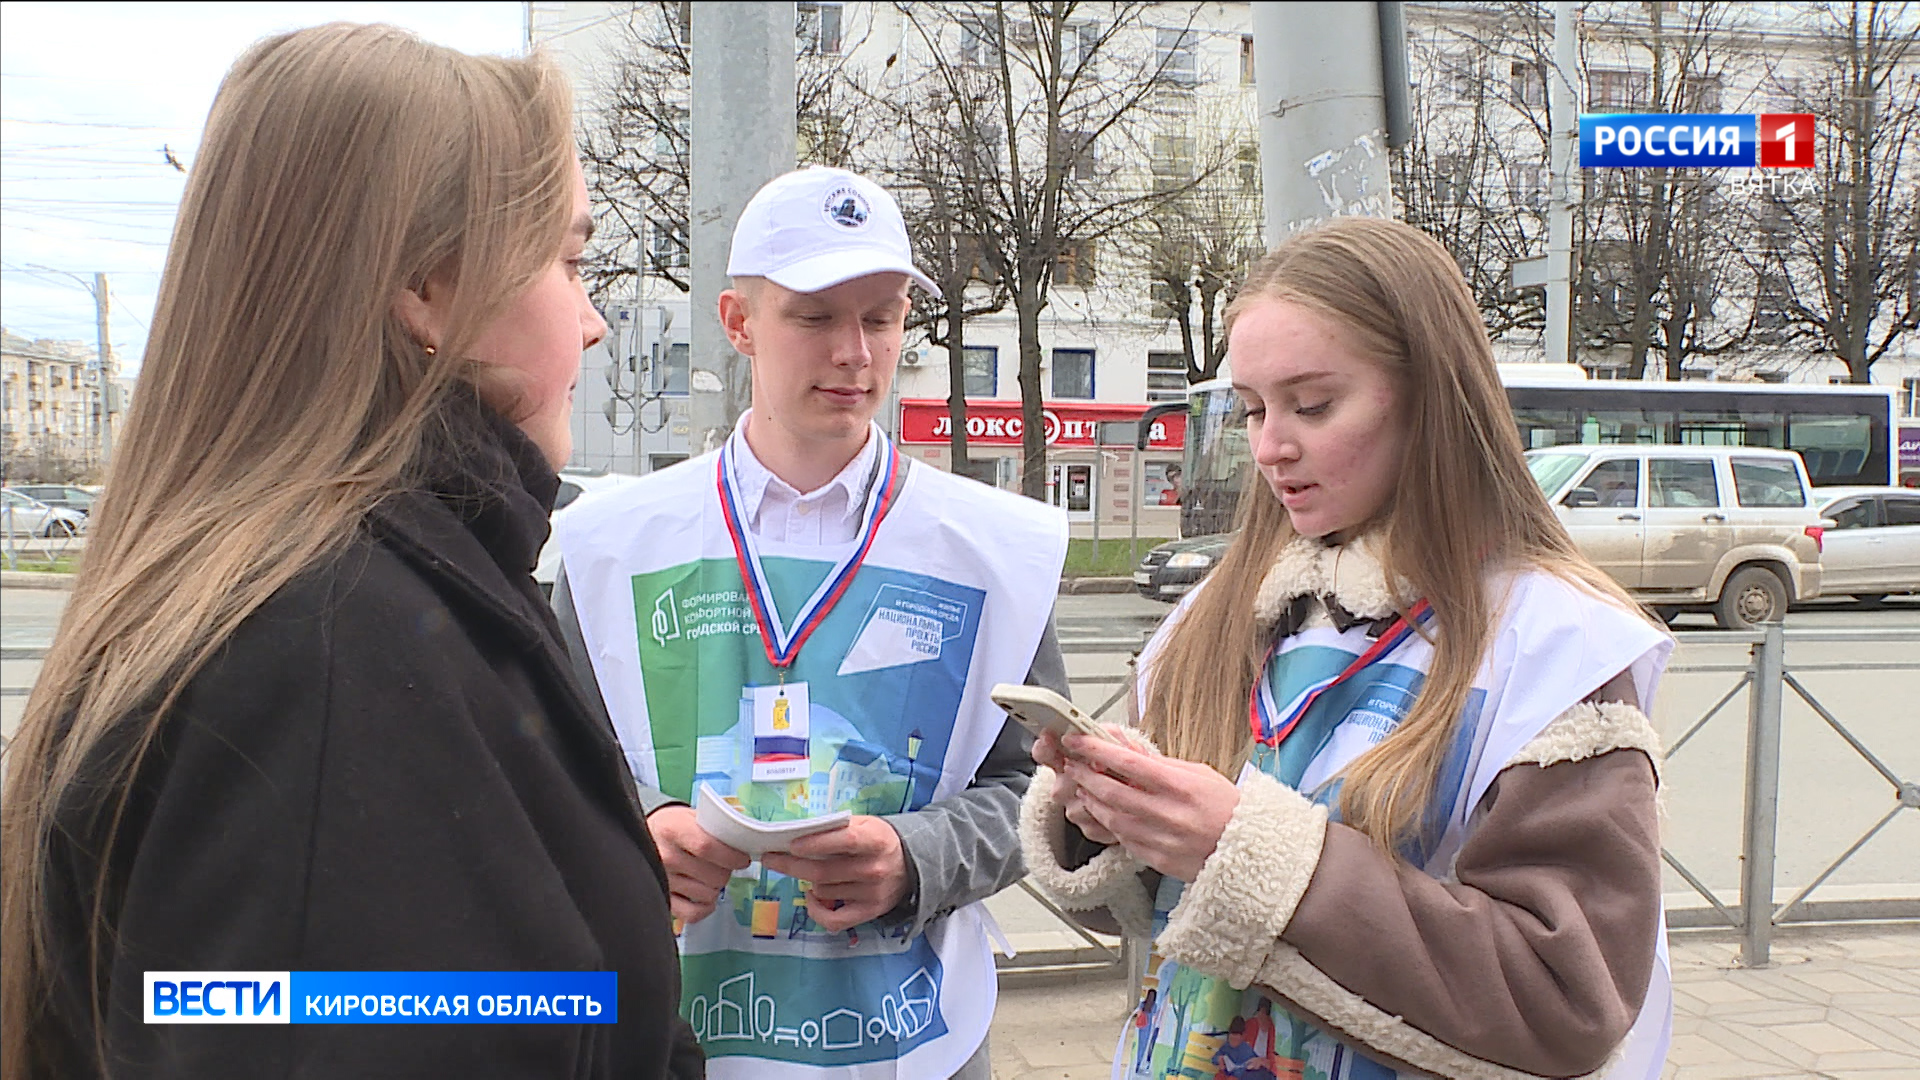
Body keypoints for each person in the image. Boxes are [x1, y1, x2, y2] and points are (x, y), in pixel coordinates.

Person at [0, 24, 693, 1079]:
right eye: (568, 260)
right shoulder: (328, 660)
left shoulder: (358, 605)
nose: (594, 323)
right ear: (425, 288)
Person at [1020, 217, 1673, 1080]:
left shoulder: (1555, 646)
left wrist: (1245, 849)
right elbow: (1148, 916)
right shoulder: (1214, 616)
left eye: (1313, 405)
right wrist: (1108, 820)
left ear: (1430, 397)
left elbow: (1565, 1001)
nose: (1269, 447)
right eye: (1252, 409)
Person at [551, 166, 1068, 1079]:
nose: (857, 355)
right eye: (816, 316)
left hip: (917, 1042)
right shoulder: (609, 547)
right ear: (740, 323)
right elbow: (542, 774)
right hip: (672, 1039)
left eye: (883, 316)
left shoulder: (994, 550)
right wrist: (637, 831)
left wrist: (918, 857)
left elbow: (1041, 792)